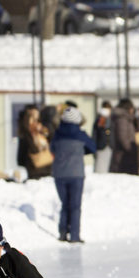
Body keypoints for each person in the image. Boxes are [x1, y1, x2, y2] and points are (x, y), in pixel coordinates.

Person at [51, 103, 96, 243]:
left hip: (59, 174)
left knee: (65, 204)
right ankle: (74, 236)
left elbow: (52, 149)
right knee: (75, 206)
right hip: (76, 173)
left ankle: (63, 233)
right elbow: (93, 148)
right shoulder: (80, 135)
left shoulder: (57, 135)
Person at [109, 99, 139, 175]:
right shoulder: (121, 119)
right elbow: (122, 137)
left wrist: (137, 118)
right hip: (123, 157)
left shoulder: (128, 119)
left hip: (127, 156)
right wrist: (131, 149)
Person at [93, 101, 113, 173]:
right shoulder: (98, 120)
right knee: (100, 169)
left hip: (110, 146)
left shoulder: (113, 119)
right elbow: (94, 134)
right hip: (101, 146)